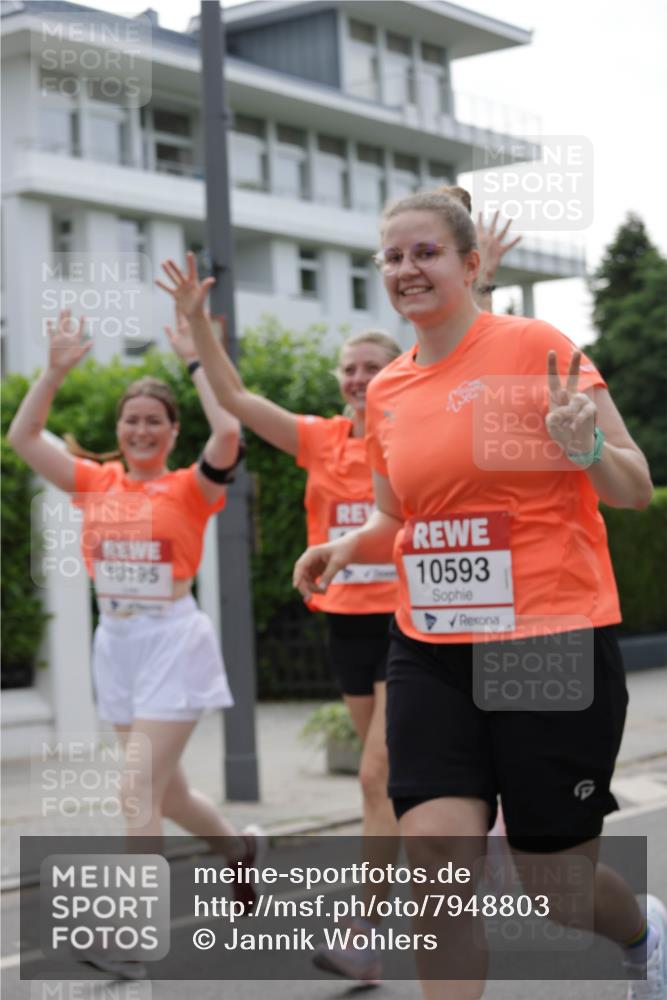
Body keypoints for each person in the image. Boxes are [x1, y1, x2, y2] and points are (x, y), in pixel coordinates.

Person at [293, 186, 665, 1000]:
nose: (406, 269)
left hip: (549, 640)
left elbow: (632, 487)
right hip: (432, 646)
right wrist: (345, 545)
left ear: (469, 264)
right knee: (434, 858)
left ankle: (643, 932)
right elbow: (400, 515)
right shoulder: (388, 390)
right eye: (392, 256)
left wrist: (586, 445)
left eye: (424, 252)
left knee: (552, 883)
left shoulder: (536, 346)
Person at [155, 202, 519, 983]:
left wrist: (479, 280)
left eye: (368, 368)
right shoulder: (323, 439)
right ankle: (470, 829)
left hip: (413, 619)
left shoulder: (419, 421)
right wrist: (198, 341)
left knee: (374, 774)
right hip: (348, 625)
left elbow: (483, 370)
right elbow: (243, 404)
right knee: (386, 775)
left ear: (390, 373)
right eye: (347, 370)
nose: (356, 379)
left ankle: (365, 926)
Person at [7, 309, 263, 978]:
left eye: (155, 420)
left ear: (173, 432)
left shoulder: (191, 487)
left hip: (173, 643)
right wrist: (56, 370)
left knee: (134, 796)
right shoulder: (95, 482)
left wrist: (195, 359)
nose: (141, 428)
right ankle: (238, 852)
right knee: (167, 795)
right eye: (132, 420)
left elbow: (231, 428)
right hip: (115, 644)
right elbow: (23, 435)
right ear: (118, 430)